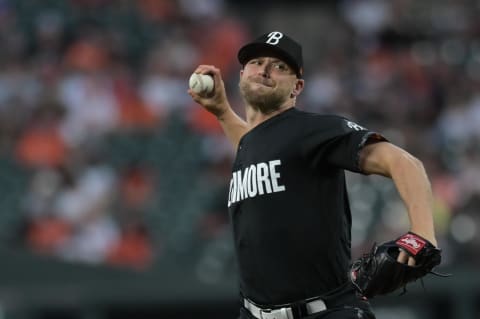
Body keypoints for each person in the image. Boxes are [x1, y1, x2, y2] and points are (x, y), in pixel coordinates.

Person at [188, 31, 439, 319]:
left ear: (297, 87)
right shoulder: (252, 144)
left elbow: (405, 163)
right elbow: (261, 152)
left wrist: (422, 234)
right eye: (257, 62)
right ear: (242, 74)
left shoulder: (313, 130)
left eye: (280, 66)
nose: (266, 70)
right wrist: (222, 112)